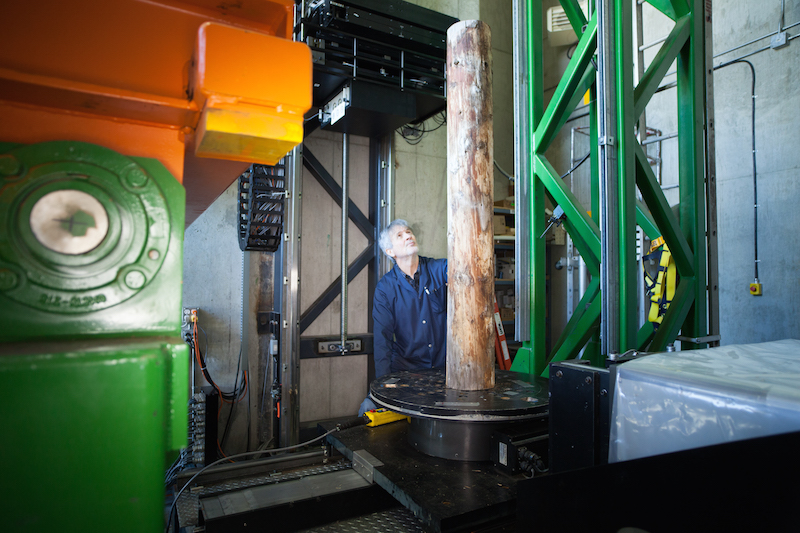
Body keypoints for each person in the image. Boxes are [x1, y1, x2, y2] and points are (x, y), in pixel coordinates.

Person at [359, 219, 448, 415]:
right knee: (368, 408)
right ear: (390, 251)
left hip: (443, 369)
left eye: (409, 232)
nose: (408, 236)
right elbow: (382, 339)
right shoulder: (385, 288)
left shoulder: (439, 269)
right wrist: (383, 386)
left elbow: (462, 269)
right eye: (400, 235)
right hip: (406, 370)